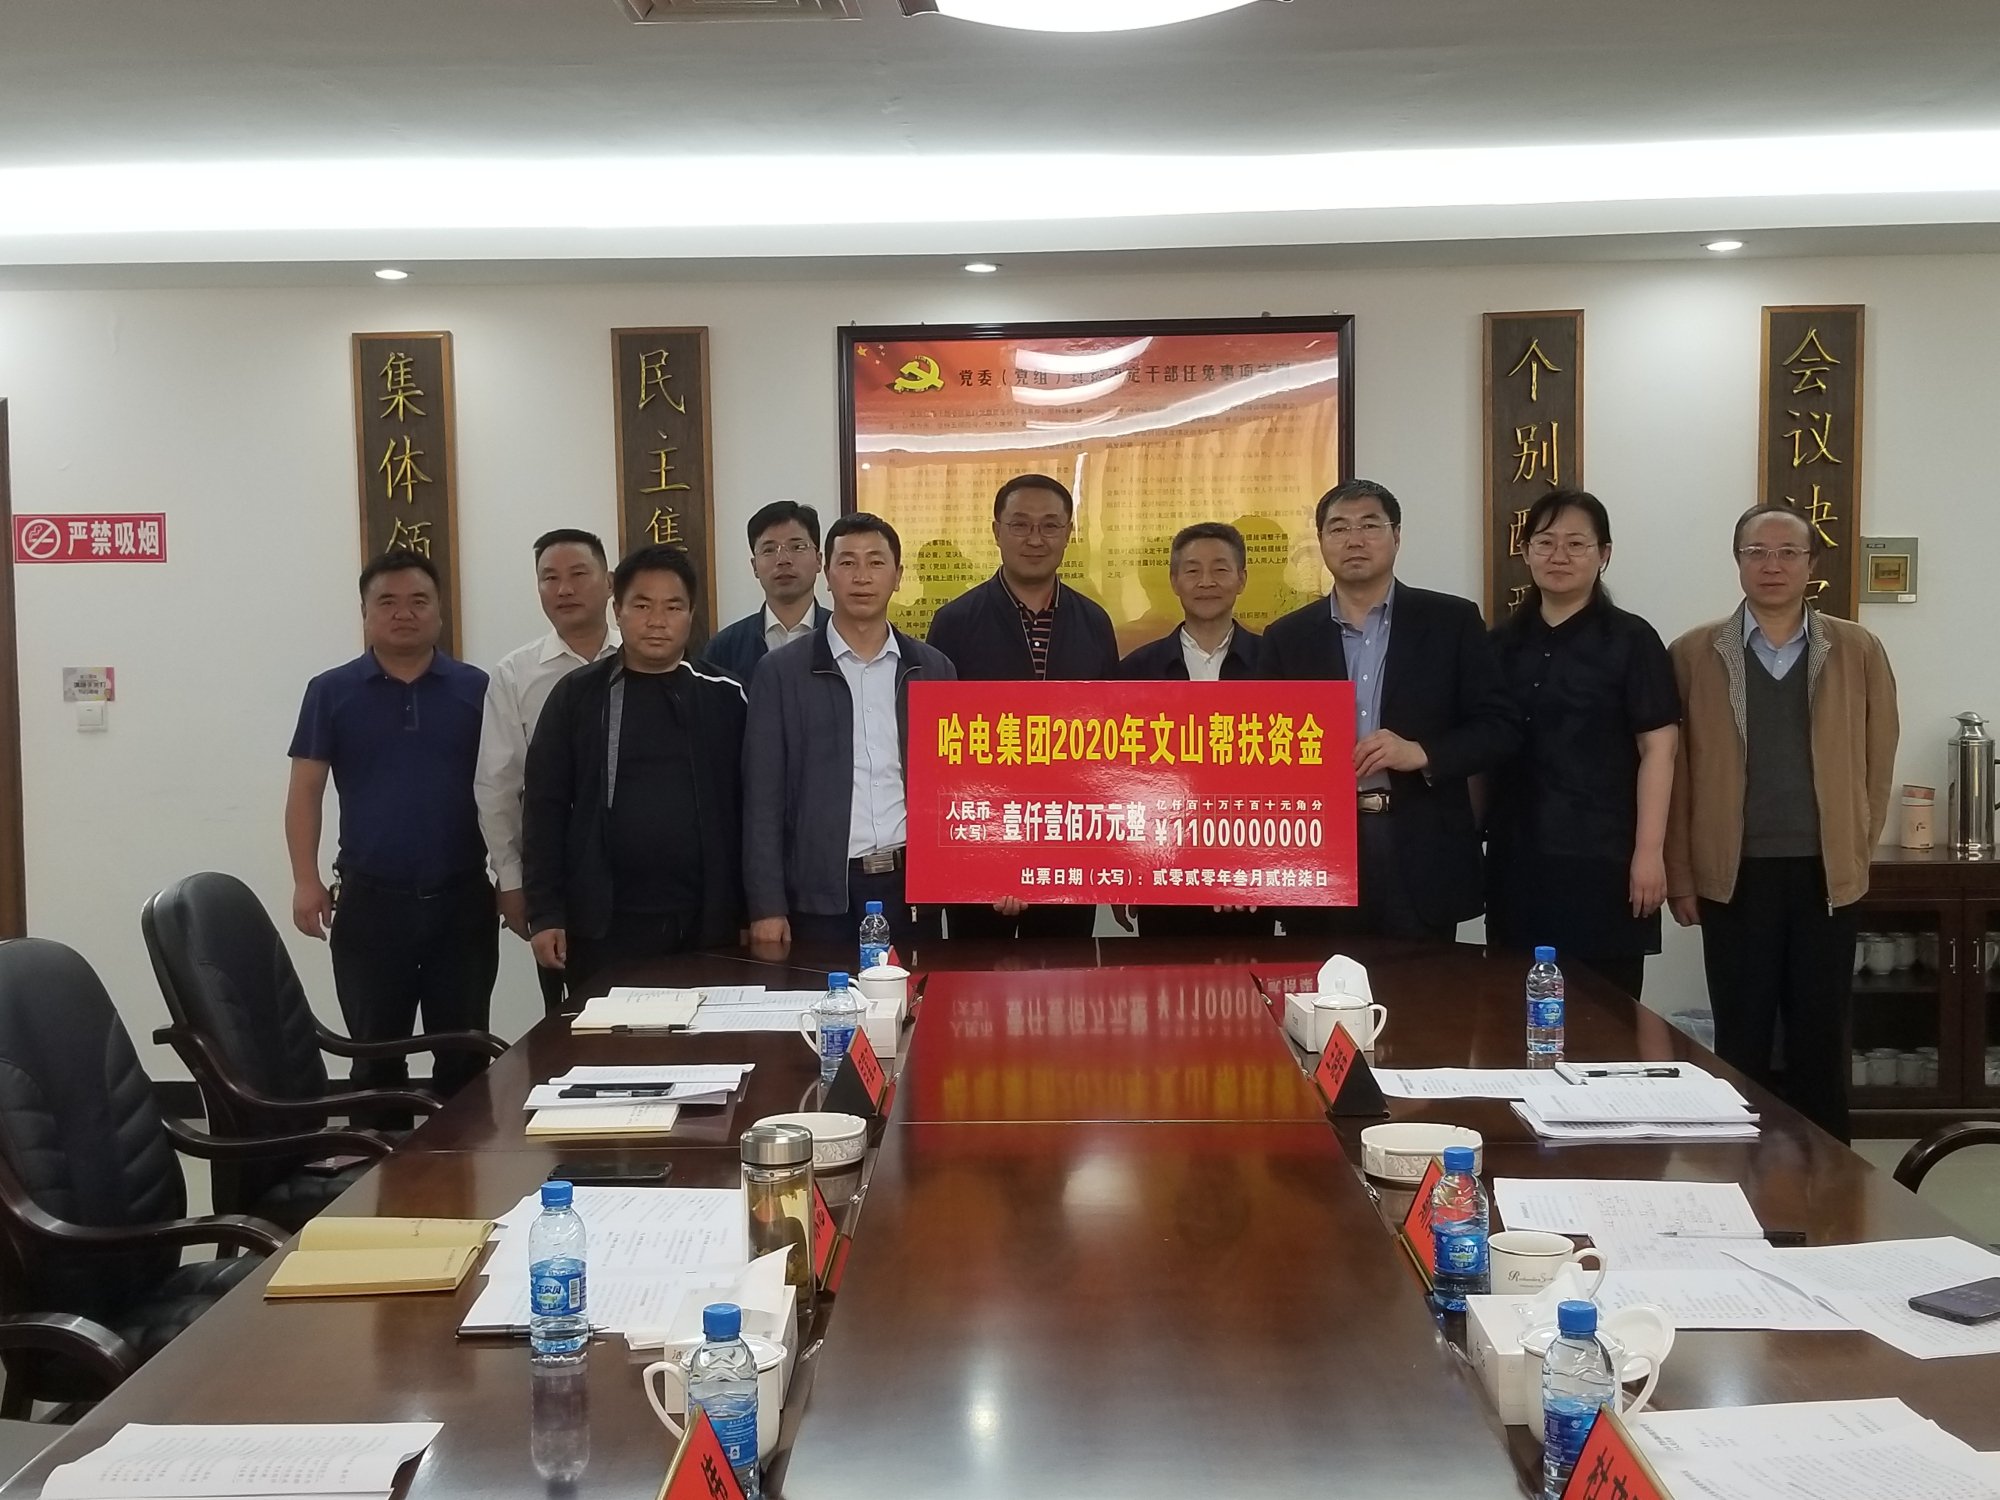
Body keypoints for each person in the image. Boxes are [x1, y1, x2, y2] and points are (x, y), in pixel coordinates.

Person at [1666, 505, 1898, 1142]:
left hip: (1826, 874)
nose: (1772, 565)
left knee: (1820, 1036)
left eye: (1788, 552)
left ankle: (1830, 1171)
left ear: (1810, 564)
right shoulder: (1693, 653)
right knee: (1740, 1037)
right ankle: (1745, 1167)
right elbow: (1676, 774)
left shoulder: (1856, 649)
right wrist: (1680, 874)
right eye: (1757, 552)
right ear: (1737, 561)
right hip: (1734, 873)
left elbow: (1879, 759)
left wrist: (1856, 849)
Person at [1259, 478, 1519, 939]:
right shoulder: (1287, 637)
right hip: (1319, 846)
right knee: (1321, 980)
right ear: (1321, 541)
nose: (1354, 539)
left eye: (1369, 525)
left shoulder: (1451, 622)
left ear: (1396, 536)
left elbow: (1499, 727)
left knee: (1421, 983)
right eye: (1339, 528)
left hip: (1420, 843)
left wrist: (1423, 752)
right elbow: (1261, 750)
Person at [286, 551, 496, 1107]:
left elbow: (506, 789)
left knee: (466, 1058)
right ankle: (380, 1163)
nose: (404, 613)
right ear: (365, 612)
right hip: (370, 903)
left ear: (440, 612)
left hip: (462, 901)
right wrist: (305, 880)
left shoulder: (478, 688)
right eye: (388, 602)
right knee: (375, 1060)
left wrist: (515, 879)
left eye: (418, 600)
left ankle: (462, 1162)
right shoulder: (330, 691)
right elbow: (305, 791)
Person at [521, 545, 748, 1005]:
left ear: (692, 615)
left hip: (707, 923)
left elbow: (754, 808)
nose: (657, 621)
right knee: (609, 1041)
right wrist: (545, 913)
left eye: (673, 607)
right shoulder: (577, 696)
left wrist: (753, 910)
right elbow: (543, 808)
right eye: (642, 606)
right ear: (617, 611)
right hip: (604, 927)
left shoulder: (726, 695)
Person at [1485, 491, 1680, 999]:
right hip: (1518, 861)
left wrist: (1649, 853)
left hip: (1605, 862)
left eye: (1576, 544)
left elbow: (1659, 750)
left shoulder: (1633, 641)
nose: (1560, 556)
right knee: (1514, 1011)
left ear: (1604, 554)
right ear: (1525, 552)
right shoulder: (1499, 644)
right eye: (1545, 542)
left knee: (1608, 1017)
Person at [743, 513, 956, 958]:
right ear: (826, 572)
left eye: (876, 562)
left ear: (898, 575)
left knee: (916, 998)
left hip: (911, 888)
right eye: (847, 562)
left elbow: (956, 786)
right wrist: (766, 906)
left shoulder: (933, 669)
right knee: (826, 1000)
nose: (862, 577)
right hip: (820, 892)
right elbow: (762, 798)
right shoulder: (781, 672)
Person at [925, 473, 1118, 940]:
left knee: (1063, 980)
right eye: (1020, 524)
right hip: (980, 845)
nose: (1035, 539)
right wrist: (987, 859)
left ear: (1068, 534)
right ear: (996, 531)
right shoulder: (954, 623)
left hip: (1070, 847)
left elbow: (1111, 745)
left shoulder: (1094, 622)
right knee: (976, 979)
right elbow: (938, 753)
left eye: (1050, 525)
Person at [475, 528, 619, 1015]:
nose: (564, 589)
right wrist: (512, 882)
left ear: (609, 582)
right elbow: (497, 786)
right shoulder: (515, 673)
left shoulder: (646, 654)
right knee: (573, 1017)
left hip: (646, 878)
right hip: (559, 877)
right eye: (549, 578)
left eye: (578, 574)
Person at [1118, 521, 1267, 939]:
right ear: (1174, 581)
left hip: (1252, 873)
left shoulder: (1273, 665)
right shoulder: (1136, 671)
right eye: (1192, 570)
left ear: (1242, 580)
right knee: (1167, 975)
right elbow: (1122, 778)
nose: (1206, 582)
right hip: (1163, 871)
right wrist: (1123, 872)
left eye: (1220, 569)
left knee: (1249, 976)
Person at [698, 500, 831, 686]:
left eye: (797, 547)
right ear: (754, 566)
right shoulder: (724, 649)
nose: (783, 560)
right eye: (769, 550)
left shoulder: (843, 637)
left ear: (819, 560)